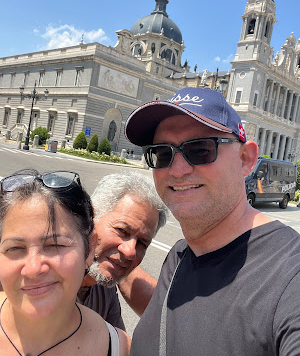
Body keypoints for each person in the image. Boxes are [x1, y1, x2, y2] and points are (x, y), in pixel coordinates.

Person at [125, 86, 300, 355]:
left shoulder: (289, 273)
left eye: (200, 149)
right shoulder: (180, 254)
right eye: (162, 153)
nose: (177, 169)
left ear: (246, 159)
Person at [0, 169, 130, 356]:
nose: (33, 269)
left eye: (55, 245)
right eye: (15, 248)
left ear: (89, 249)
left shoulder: (119, 348)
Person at [77, 171, 168, 329]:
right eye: (122, 231)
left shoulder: (104, 288)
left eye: (142, 243)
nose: (130, 251)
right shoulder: (46, 281)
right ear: (90, 216)